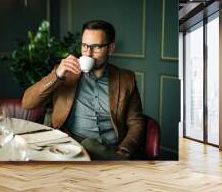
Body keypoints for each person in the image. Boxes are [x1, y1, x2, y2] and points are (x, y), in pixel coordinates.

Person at [22, 20, 145, 160]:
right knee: (89, 145)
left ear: (111, 48)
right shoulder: (66, 73)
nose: (88, 53)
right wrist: (56, 75)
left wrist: (125, 150)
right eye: (85, 46)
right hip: (74, 146)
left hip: (112, 149)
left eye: (96, 47)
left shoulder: (125, 79)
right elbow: (27, 103)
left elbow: (136, 121)